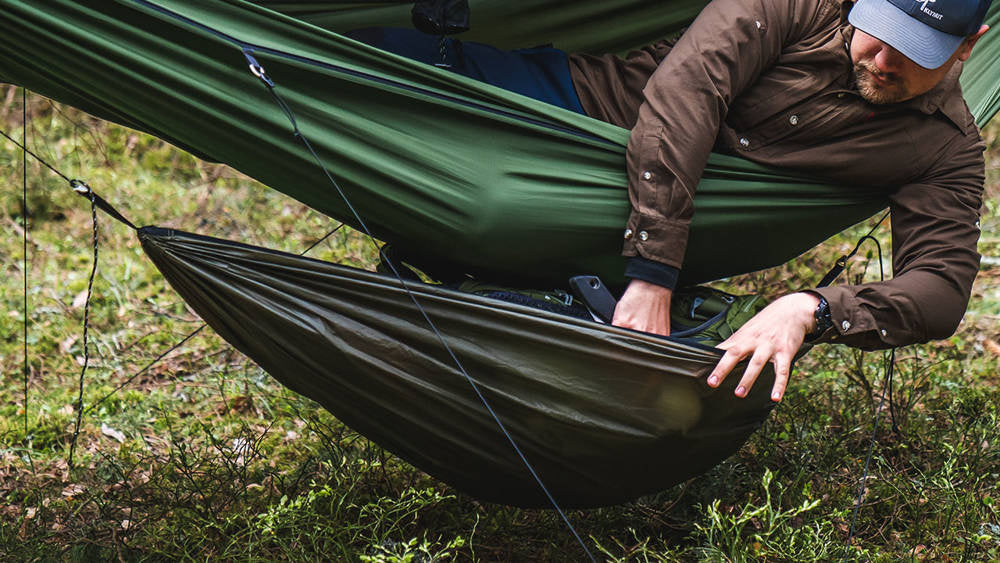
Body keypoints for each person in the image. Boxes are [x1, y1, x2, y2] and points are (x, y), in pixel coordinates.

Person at [350, 0, 991, 402]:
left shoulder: (943, 147)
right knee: (342, 66)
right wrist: (653, 275)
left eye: (912, 54)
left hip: (581, 217)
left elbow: (940, 288)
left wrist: (814, 308)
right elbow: (686, 94)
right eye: (878, 30)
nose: (880, 58)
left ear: (968, 48)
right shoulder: (795, 3)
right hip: (566, 111)